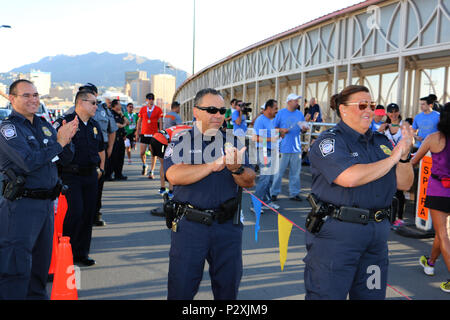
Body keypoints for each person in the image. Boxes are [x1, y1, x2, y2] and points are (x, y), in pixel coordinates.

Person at [304, 85, 414, 300]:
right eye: (362, 105)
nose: (369, 110)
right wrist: (393, 158)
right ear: (343, 109)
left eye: (371, 105)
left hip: (377, 235)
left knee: (372, 296)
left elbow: (404, 183)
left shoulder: (381, 142)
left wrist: (404, 157)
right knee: (326, 296)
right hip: (338, 235)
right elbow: (350, 177)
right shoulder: (330, 142)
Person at [163, 88, 256, 300]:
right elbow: (174, 175)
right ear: (196, 111)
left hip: (227, 228)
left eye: (222, 110)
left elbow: (249, 181)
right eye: (211, 109)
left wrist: (237, 169)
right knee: (181, 289)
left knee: (228, 290)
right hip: (190, 227)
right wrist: (212, 166)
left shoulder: (234, 141)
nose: (218, 115)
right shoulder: (181, 140)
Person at [0, 79, 78, 299]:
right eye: (26, 95)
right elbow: (27, 162)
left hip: (45, 206)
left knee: (40, 268)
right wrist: (58, 143)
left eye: (35, 95)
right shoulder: (8, 128)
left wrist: (68, 139)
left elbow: (64, 158)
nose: (33, 99)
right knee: (15, 268)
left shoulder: (43, 124)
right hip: (21, 206)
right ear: (12, 98)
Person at [55, 90, 106, 267]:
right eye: (92, 103)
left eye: (96, 102)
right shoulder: (65, 122)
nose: (96, 106)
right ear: (80, 103)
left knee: (87, 215)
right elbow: (56, 149)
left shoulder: (94, 124)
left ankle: (81, 253)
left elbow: (100, 149)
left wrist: (101, 169)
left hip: (91, 175)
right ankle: (65, 252)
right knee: (74, 213)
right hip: (71, 175)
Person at [412, 102, 450, 293]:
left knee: (442, 233)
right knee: (440, 233)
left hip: (439, 191)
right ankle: (431, 262)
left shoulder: (433, 138)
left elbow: (414, 160)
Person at [270, 93, 307, 202]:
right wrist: (281, 130)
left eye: (297, 101)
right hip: (283, 147)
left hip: (296, 148)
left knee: (295, 173)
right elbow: (272, 128)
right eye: (295, 101)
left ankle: (294, 193)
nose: (297, 103)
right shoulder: (280, 113)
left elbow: (303, 128)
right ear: (289, 101)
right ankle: (273, 193)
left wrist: (304, 129)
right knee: (278, 172)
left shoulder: (300, 114)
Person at [381, 103, 406, 227]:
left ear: (399, 112)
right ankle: (388, 217)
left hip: (401, 162)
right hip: (388, 162)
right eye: (391, 112)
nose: (393, 114)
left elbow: (409, 140)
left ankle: (400, 218)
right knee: (388, 190)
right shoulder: (385, 127)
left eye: (396, 111)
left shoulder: (404, 125)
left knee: (399, 191)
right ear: (387, 113)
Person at [252, 99, 280, 211]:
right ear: (268, 108)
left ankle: (266, 202)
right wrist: (270, 139)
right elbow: (256, 138)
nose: (276, 111)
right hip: (264, 150)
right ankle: (255, 205)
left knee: (270, 179)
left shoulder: (269, 120)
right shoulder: (261, 120)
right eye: (275, 108)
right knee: (265, 179)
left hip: (270, 151)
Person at [135, 93, 163, 179]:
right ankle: (145, 164)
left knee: (153, 153)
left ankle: (152, 171)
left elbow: (161, 121)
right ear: (146, 100)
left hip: (154, 134)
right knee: (142, 153)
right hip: (144, 133)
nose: (151, 100)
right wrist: (137, 132)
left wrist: (161, 132)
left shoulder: (158, 109)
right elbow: (139, 121)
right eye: (149, 99)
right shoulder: (143, 109)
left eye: (152, 99)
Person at [110, 99, 129, 180]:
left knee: (120, 157)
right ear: (115, 106)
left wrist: (122, 115)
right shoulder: (111, 114)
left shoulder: (120, 114)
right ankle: (109, 174)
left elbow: (127, 122)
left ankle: (119, 174)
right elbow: (117, 125)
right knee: (113, 157)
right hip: (115, 138)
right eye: (119, 104)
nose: (120, 106)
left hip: (121, 138)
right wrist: (123, 124)